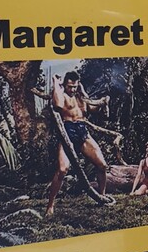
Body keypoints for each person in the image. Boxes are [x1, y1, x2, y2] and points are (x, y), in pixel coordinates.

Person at [46, 72, 110, 216]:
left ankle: (102, 197)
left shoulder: (81, 96)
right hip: (67, 133)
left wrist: (103, 102)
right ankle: (50, 205)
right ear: (65, 85)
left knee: (102, 165)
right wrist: (56, 83)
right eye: (70, 86)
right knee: (62, 170)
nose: (72, 89)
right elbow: (57, 105)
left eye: (75, 86)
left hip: (82, 131)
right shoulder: (61, 95)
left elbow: (93, 109)